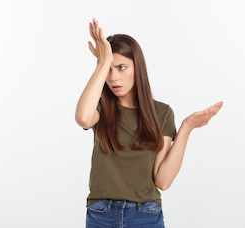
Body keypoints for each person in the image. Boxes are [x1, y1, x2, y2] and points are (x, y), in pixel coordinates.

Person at [75, 18, 224, 228]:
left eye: (121, 67)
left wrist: (187, 127)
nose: (113, 77)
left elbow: (162, 181)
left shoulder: (161, 113)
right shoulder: (99, 108)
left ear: (138, 67)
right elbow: (82, 117)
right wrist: (102, 61)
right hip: (101, 215)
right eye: (108, 69)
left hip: (145, 215)